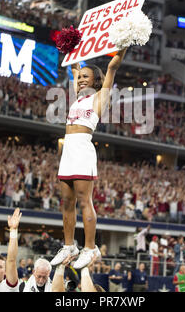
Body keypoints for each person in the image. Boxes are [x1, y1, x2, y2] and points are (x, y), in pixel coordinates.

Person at [51, 47, 128, 270]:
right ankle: (69, 246)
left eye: (86, 76)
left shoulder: (99, 97)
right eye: (80, 77)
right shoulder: (77, 96)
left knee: (85, 201)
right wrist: (70, 45)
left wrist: (124, 42)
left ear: (95, 80)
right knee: (66, 202)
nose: (81, 79)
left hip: (83, 148)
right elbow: (74, 65)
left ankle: (90, 247)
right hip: (68, 150)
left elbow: (113, 66)